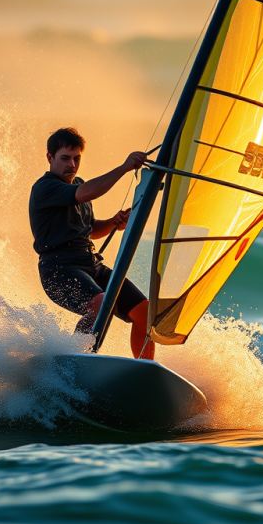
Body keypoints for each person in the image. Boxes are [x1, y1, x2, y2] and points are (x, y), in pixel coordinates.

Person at [29, 127, 154, 360]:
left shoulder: (78, 183)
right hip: (59, 269)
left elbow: (91, 230)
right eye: (65, 158)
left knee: (145, 311)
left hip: (90, 264)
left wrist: (114, 222)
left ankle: (146, 368)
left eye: (77, 159)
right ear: (50, 157)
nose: (72, 165)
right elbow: (86, 193)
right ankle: (73, 365)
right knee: (100, 305)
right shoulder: (45, 187)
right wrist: (124, 167)